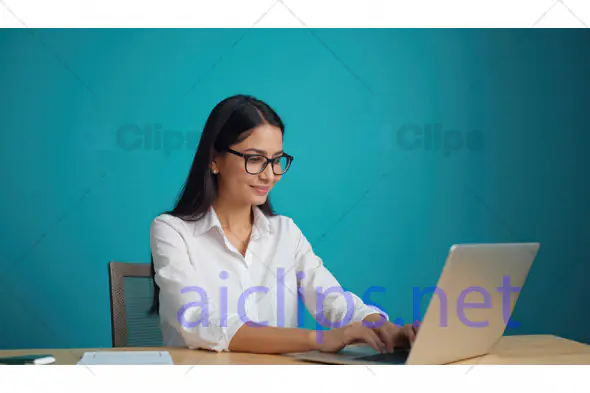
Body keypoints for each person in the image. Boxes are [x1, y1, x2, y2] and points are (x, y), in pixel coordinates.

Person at [149, 94, 418, 354]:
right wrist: (319, 339)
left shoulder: (285, 232)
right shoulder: (172, 231)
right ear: (214, 159)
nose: (270, 175)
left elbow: (333, 302)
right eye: (255, 159)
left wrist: (385, 330)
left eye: (276, 160)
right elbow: (197, 320)